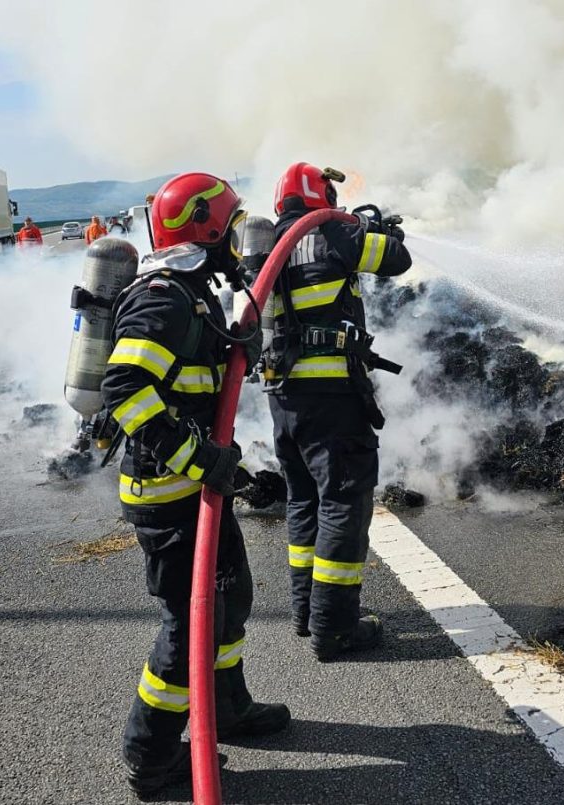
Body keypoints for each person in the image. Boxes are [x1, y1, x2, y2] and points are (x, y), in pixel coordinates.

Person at [101, 172, 289, 798]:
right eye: (230, 227)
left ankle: (227, 708)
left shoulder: (192, 291)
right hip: (167, 493)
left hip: (193, 489)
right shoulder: (164, 298)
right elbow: (126, 390)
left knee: (229, 600)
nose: (237, 240)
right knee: (190, 623)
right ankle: (150, 759)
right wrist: (197, 458)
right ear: (205, 228)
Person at [264, 162, 411, 662]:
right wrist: (376, 230)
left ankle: (307, 612)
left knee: (303, 500)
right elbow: (398, 260)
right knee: (344, 504)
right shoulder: (332, 232)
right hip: (332, 401)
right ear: (318, 194)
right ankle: (336, 626)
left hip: (283, 403)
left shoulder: (266, 247)